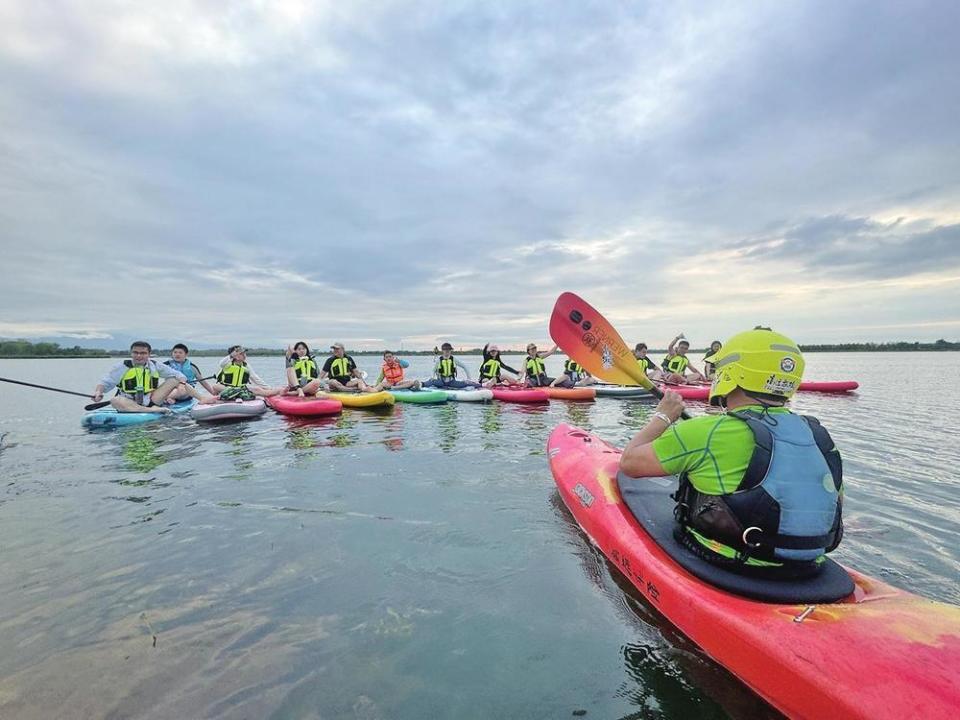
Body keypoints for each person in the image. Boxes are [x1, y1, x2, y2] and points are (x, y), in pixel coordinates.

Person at [618, 327, 843, 580]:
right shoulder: (819, 435)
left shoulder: (706, 431)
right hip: (810, 567)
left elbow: (629, 463)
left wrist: (663, 415)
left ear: (731, 374)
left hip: (732, 564)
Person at [91, 340, 212, 412]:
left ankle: (202, 399)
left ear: (148, 354)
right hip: (129, 401)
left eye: (143, 353)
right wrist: (98, 392)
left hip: (152, 400)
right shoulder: (122, 366)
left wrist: (181, 383)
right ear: (131, 353)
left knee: (175, 379)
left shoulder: (154, 364)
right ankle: (151, 411)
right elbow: (105, 383)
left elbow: (178, 375)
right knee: (114, 400)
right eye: (136, 353)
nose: (139, 356)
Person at [211, 345, 286, 397]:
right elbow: (221, 363)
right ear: (234, 356)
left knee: (257, 389)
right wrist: (231, 355)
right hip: (226, 388)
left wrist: (268, 388)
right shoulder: (227, 364)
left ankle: (281, 390)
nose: (244, 355)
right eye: (241, 353)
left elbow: (256, 379)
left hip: (241, 388)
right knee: (215, 387)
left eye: (244, 353)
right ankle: (238, 395)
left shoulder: (246, 366)